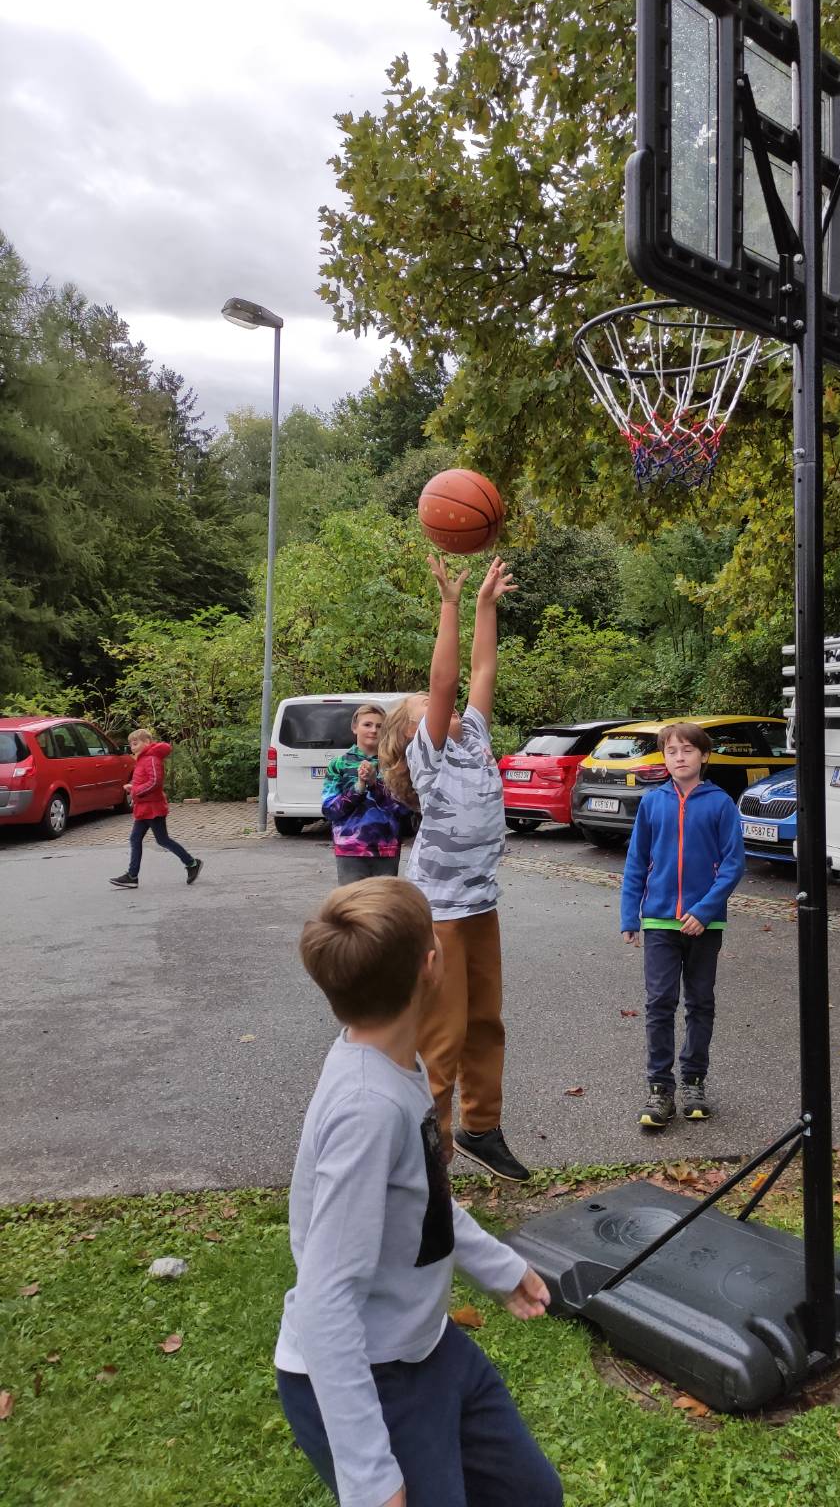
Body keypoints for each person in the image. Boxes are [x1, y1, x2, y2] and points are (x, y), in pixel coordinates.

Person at [275, 876, 562, 1507]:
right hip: (371, 1376)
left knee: (530, 1494)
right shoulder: (366, 1109)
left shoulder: (394, 1062)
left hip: (427, 1347)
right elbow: (326, 1304)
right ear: (432, 966)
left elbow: (420, 1198)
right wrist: (372, 1478)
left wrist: (500, 1268)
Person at [377, 556, 530, 1183]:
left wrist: (487, 605)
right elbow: (444, 686)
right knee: (441, 1041)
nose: (440, 708)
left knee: (486, 1022)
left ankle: (480, 1127)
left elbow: (481, 672)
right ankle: (427, 1160)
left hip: (480, 905)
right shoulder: (432, 756)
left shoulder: (474, 738)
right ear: (417, 732)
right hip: (438, 915)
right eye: (426, 708)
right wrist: (449, 604)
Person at [619, 721, 745, 1130]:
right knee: (659, 1004)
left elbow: (732, 864)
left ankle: (693, 1081)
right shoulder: (653, 803)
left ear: (703, 756)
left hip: (704, 925)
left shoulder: (720, 803)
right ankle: (660, 1088)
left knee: (700, 1002)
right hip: (659, 920)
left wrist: (705, 911)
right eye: (671, 751)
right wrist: (629, 914)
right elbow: (637, 862)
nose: (679, 757)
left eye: (687, 750)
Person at [322, 702, 415, 886]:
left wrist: (375, 785)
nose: (373, 730)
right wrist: (359, 788)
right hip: (350, 848)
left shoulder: (395, 765)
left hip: (386, 848)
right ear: (354, 728)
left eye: (379, 726)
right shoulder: (339, 764)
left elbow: (403, 809)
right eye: (367, 724)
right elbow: (330, 809)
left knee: (383, 906)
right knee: (353, 908)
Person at [109, 729, 202, 890]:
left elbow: (155, 782)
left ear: (147, 742)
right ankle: (132, 876)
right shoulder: (142, 759)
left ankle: (192, 863)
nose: (132, 746)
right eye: (130, 743)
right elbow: (146, 781)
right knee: (136, 839)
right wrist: (133, 786)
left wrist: (136, 790)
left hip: (153, 807)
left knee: (162, 839)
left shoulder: (151, 758)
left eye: (135, 743)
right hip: (144, 808)